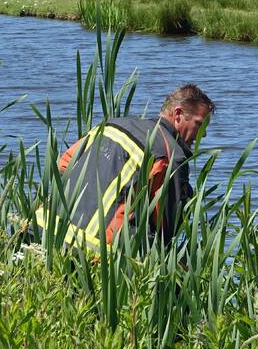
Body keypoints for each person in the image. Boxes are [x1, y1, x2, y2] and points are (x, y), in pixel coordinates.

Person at [36, 84, 214, 254]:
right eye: (200, 124)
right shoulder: (170, 155)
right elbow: (165, 227)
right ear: (178, 114)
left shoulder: (112, 125)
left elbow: (64, 165)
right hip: (92, 252)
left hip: (43, 229)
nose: (204, 134)